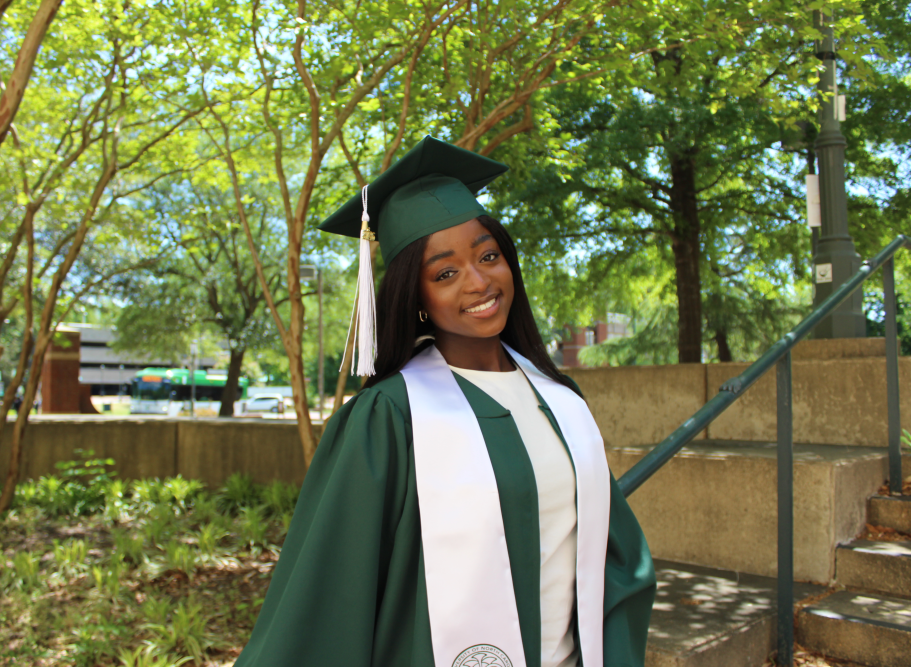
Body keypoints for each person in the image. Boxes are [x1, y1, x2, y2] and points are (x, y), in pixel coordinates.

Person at [234, 137, 656, 667]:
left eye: (488, 255)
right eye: (446, 273)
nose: (480, 281)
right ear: (416, 297)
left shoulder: (561, 401)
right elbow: (327, 597)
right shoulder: (388, 418)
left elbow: (617, 561)